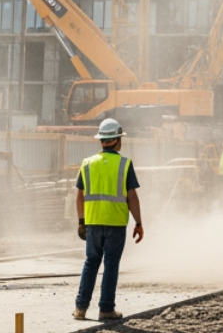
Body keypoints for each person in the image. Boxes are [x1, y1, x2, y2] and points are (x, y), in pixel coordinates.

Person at [73, 118, 144, 322]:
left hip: (93, 223)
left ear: (102, 140)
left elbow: (79, 195)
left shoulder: (87, 163)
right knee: (110, 265)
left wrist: (81, 221)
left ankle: (80, 308)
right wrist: (138, 223)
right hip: (115, 224)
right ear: (117, 140)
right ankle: (106, 309)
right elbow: (132, 197)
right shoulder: (124, 163)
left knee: (91, 263)